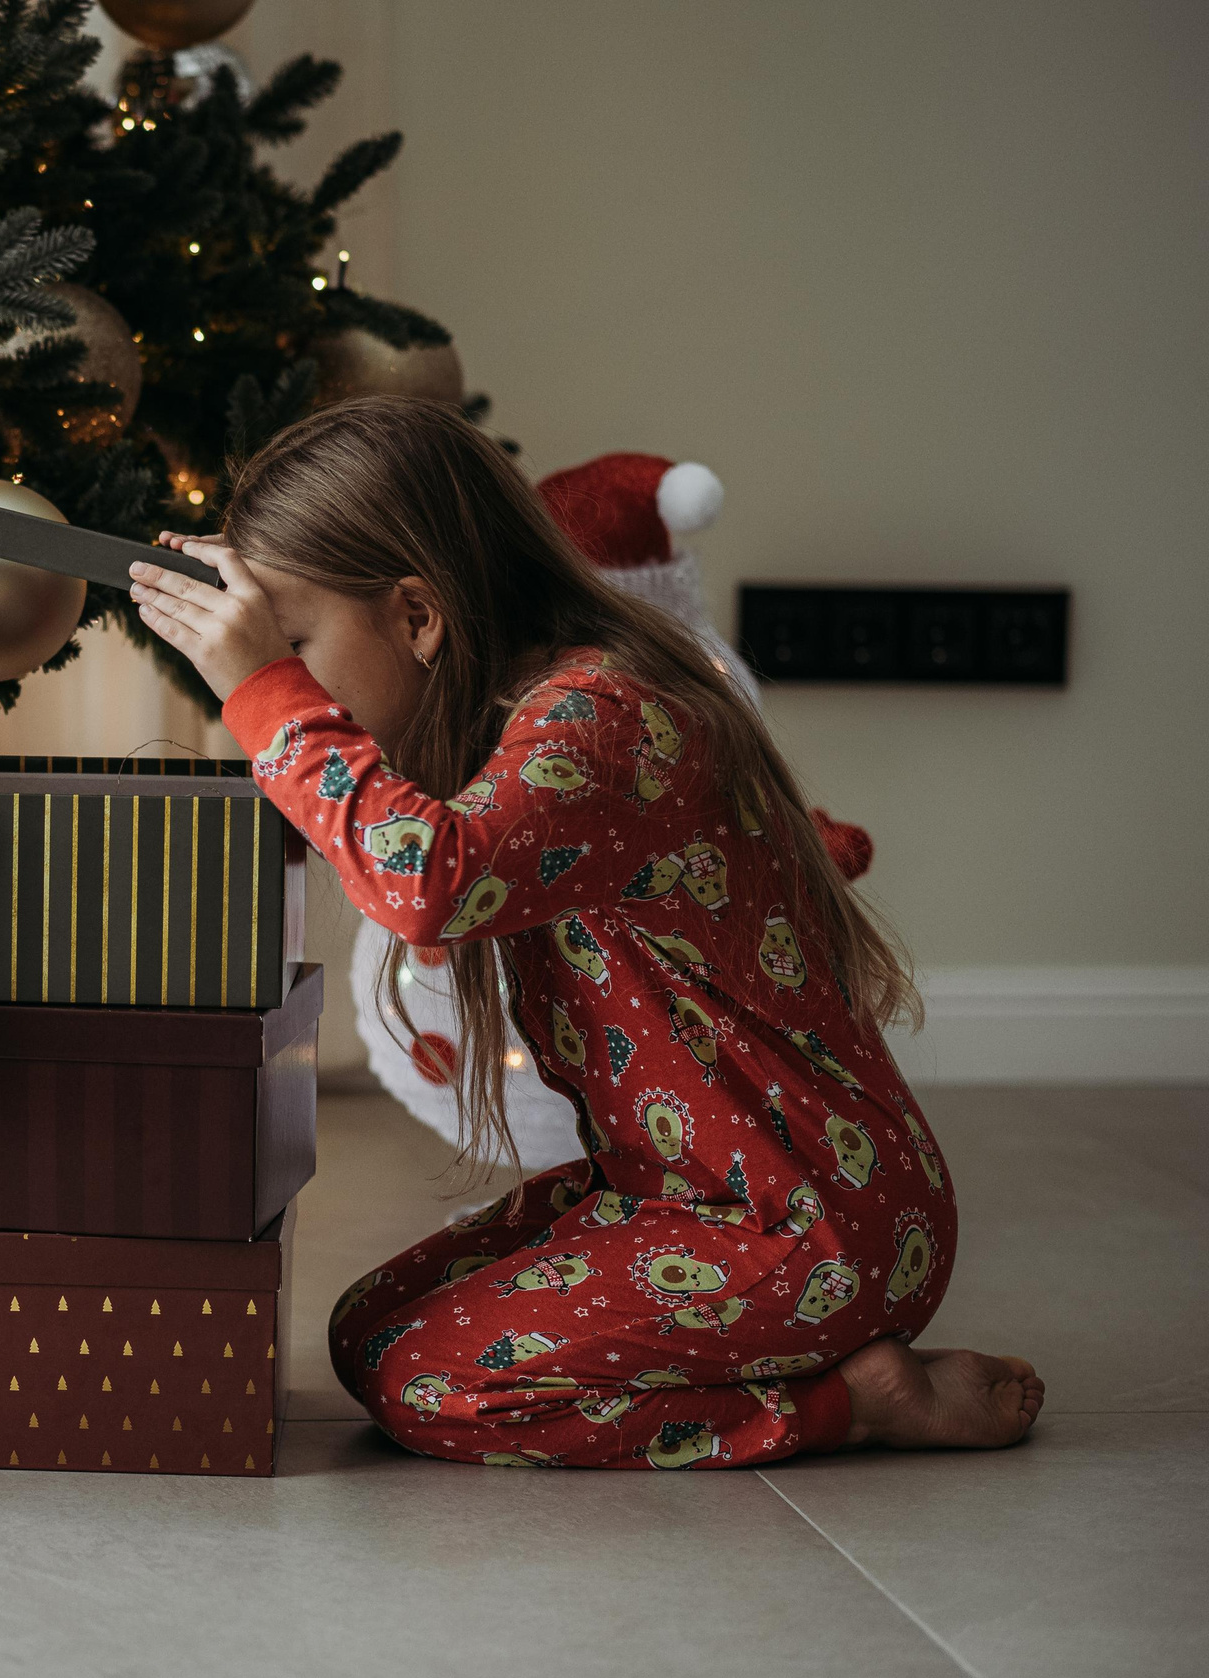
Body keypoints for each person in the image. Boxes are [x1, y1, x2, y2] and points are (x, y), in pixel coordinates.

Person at [127, 397, 1042, 1468]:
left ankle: (853, 1401)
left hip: (806, 1224)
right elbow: (394, 840)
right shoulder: (529, 709)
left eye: (295, 643)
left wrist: (265, 691)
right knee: (368, 1328)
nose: (290, 677)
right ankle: (795, 1361)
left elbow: (426, 880)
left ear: (418, 616)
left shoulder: (605, 715)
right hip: (680, 1191)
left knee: (426, 1380)